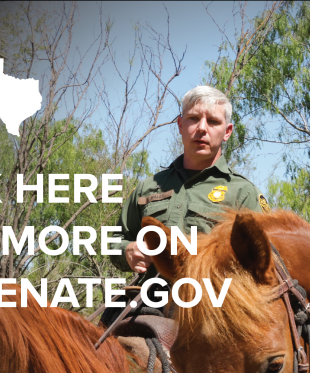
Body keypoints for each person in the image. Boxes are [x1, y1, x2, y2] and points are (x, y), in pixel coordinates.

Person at [104, 86, 267, 323]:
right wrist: (127, 251)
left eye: (213, 121)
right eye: (193, 119)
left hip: (213, 315)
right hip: (147, 308)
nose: (202, 128)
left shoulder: (244, 194)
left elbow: (264, 265)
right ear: (180, 125)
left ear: (227, 131)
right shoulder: (148, 188)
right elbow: (116, 240)